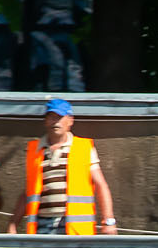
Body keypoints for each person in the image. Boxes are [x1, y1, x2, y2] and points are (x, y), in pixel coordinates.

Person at [18, 97, 117, 235]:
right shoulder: (35, 150)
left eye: (59, 117)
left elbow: (101, 185)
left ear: (70, 120)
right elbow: (28, 191)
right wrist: (13, 222)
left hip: (76, 227)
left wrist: (108, 221)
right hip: (42, 225)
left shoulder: (83, 148)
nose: (55, 122)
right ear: (45, 121)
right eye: (51, 117)